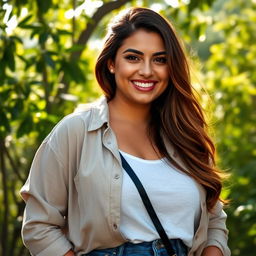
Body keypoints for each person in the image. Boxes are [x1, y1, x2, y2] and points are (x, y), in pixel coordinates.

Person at [20, 7, 230, 256]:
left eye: (160, 60)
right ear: (111, 63)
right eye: (133, 57)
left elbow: (214, 220)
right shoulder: (76, 131)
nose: (147, 71)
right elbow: (39, 226)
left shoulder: (186, 134)